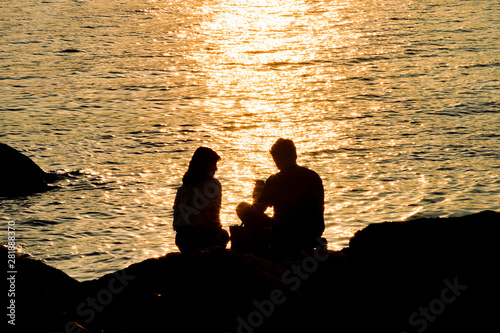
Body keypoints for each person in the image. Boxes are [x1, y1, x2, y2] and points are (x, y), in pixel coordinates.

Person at [236, 138, 325, 254]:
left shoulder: (275, 180)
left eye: (275, 159)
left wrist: (257, 195)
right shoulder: (314, 176)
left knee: (242, 207)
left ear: (278, 158)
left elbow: (257, 210)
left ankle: (256, 247)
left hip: (285, 234)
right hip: (313, 232)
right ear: (295, 155)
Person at [173, 147, 229, 254]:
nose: (216, 169)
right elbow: (213, 214)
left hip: (181, 240)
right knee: (225, 235)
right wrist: (218, 233)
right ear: (206, 166)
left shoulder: (183, 187)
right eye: (213, 165)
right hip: (201, 239)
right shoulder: (212, 185)